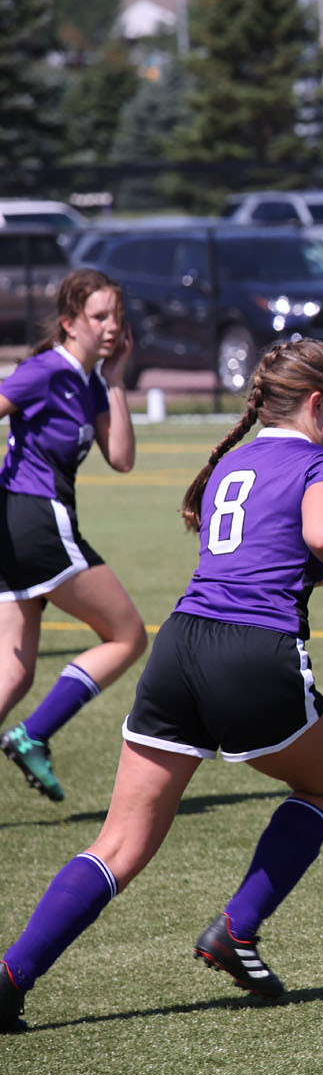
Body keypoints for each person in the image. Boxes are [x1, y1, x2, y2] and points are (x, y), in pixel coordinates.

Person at [0, 339, 323, 1032]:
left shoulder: (235, 461)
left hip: (179, 649)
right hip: (253, 654)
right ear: (317, 405)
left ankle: (11, 975)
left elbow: (277, 548)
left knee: (120, 844)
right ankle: (237, 930)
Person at [0, 268, 146, 802]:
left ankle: (30, 728)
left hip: (21, 526)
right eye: (99, 316)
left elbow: (123, 459)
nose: (112, 327)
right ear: (69, 322)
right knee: (128, 635)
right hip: (36, 520)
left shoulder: (89, 382)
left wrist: (115, 379)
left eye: (117, 317)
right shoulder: (46, 370)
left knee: (12, 675)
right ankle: (32, 733)